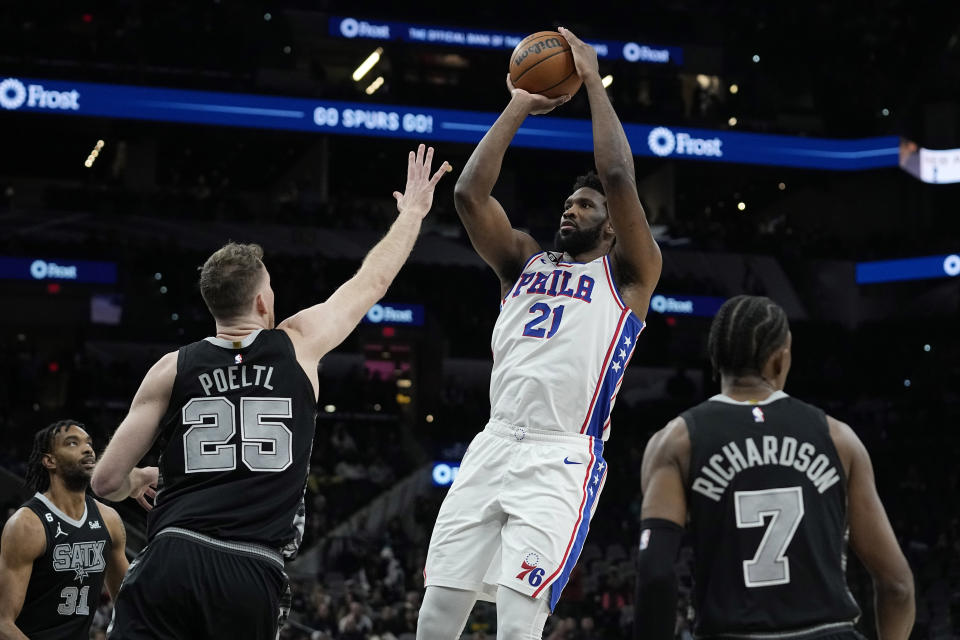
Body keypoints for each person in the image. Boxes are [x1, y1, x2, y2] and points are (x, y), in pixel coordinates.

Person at [90, 145, 451, 639]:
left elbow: (104, 482)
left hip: (171, 555)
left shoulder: (171, 368)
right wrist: (412, 213)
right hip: (249, 568)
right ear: (262, 299)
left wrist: (140, 479)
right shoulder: (299, 344)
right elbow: (372, 280)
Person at [418, 27, 662, 639]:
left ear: (611, 228)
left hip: (561, 456)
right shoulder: (523, 261)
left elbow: (618, 175)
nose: (571, 210)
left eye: (586, 206)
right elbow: (471, 193)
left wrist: (593, 82)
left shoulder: (629, 276)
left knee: (519, 620)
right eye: (568, 203)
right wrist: (519, 104)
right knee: (436, 613)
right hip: (494, 442)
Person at [635, 295, 915, 640]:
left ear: (715, 359)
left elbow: (655, 573)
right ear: (780, 361)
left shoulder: (676, 441)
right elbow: (898, 585)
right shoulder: (839, 439)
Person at [0, 420, 129, 639]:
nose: (88, 448)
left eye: (88, 443)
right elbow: (3, 623)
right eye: (72, 443)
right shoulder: (27, 524)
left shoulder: (109, 519)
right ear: (50, 461)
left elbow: (129, 604)